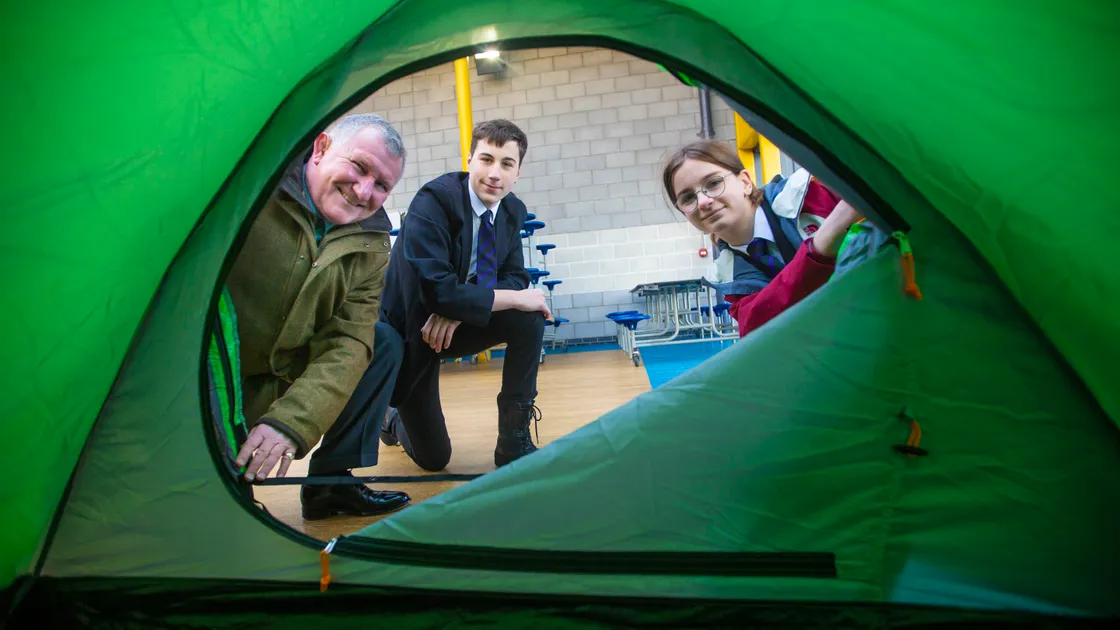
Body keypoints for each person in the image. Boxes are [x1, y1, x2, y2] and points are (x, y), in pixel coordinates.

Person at [224, 113, 411, 520]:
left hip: (285, 378)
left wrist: (293, 422)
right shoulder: (249, 191)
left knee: (380, 342)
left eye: (382, 185)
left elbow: (348, 342)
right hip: (211, 380)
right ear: (321, 148)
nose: (364, 191)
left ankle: (331, 485)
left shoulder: (373, 245)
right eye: (359, 167)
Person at [378, 119, 552, 472]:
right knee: (434, 459)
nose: (495, 173)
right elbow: (437, 289)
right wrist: (471, 301)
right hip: (415, 332)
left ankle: (512, 444)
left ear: (518, 172)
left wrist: (461, 309)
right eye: (486, 159)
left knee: (529, 317)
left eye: (507, 164)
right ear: (469, 159)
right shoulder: (434, 201)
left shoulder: (511, 210)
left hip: (455, 323)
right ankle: (390, 420)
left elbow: (515, 276)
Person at [661, 140, 865, 337]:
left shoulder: (811, 196)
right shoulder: (728, 275)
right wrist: (819, 247)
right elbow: (758, 327)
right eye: (688, 198)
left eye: (714, 183)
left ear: (745, 182)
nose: (703, 201)